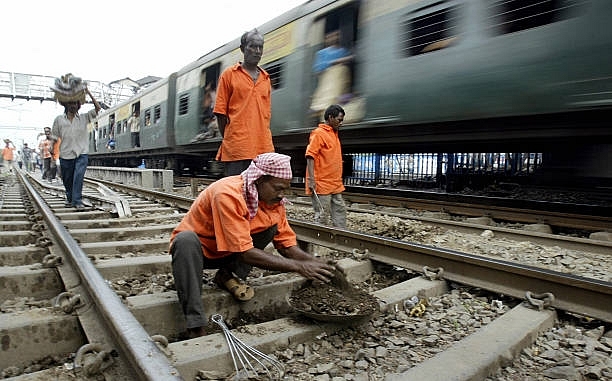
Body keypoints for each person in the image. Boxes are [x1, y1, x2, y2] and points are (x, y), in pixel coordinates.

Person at [170, 152, 337, 338]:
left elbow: (286, 245)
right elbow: (246, 253)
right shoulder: (227, 193)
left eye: (285, 189)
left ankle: (227, 275)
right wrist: (299, 266)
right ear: (259, 180)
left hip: (230, 250)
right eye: (278, 188)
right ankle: (195, 325)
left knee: (269, 227)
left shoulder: (273, 201)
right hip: (202, 252)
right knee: (185, 241)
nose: (282, 194)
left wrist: (315, 263)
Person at [213, 29, 275, 176]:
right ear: (242, 49)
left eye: (260, 47)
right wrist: (231, 137)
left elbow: (266, 115)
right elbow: (220, 114)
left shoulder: (266, 79)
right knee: (236, 194)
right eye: (253, 46)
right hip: (237, 149)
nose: (257, 51)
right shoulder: (229, 75)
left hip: (264, 148)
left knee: (260, 195)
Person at [51, 88, 101, 210]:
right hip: (66, 154)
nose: (73, 106)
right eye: (71, 103)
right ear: (66, 105)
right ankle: (70, 198)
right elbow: (54, 136)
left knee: (78, 177)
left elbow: (98, 108)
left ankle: (77, 201)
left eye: (75, 103)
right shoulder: (59, 119)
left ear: (79, 105)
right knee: (67, 180)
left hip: (81, 153)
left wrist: (88, 92)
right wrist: (52, 148)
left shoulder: (85, 117)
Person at [305, 104, 347, 228]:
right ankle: (319, 242)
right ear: (330, 117)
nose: (341, 123)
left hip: (335, 183)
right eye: (339, 120)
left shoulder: (334, 134)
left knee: (340, 211)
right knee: (322, 214)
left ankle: (341, 238)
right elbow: (310, 156)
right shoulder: (318, 133)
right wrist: (311, 180)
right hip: (321, 183)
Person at [310, 30, 353, 119]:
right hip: (327, 81)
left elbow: (350, 60)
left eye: (336, 35)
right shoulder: (321, 53)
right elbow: (318, 68)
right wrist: (335, 62)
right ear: (326, 39)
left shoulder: (343, 51)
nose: (334, 37)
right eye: (331, 36)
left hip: (340, 79)